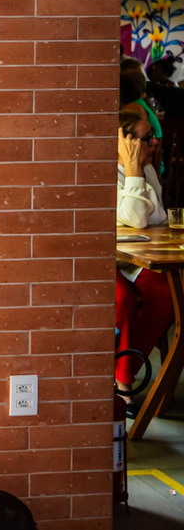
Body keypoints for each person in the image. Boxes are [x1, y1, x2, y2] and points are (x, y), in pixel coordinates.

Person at [116, 107, 172, 400]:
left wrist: (139, 168)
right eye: (147, 138)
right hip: (110, 260)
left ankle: (123, 372)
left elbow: (158, 218)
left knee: (166, 295)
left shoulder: (148, 168)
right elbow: (139, 219)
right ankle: (124, 385)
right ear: (126, 142)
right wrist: (133, 168)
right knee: (123, 301)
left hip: (138, 258)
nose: (155, 143)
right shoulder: (112, 171)